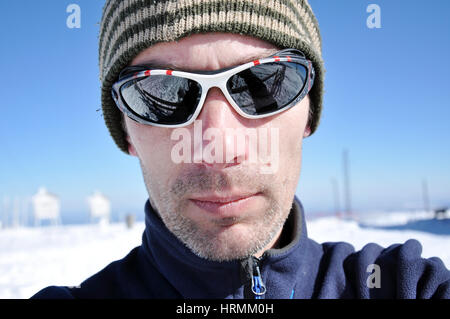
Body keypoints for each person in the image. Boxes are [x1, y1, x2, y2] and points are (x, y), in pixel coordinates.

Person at [32, 0, 449, 299]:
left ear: (308, 113)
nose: (219, 146)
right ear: (125, 132)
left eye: (264, 83)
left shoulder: (396, 286)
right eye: (161, 94)